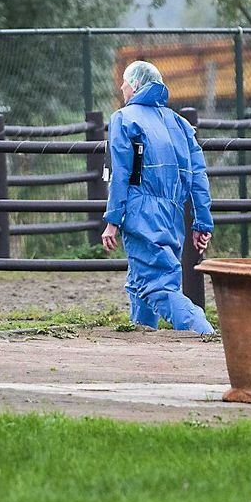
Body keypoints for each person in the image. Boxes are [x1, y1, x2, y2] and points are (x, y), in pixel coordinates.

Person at [101, 60, 215, 334]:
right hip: (173, 215)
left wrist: (112, 219)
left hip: (142, 211)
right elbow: (198, 175)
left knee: (157, 285)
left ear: (137, 85)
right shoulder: (179, 124)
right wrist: (202, 223)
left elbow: (121, 173)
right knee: (143, 280)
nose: (122, 86)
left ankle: (203, 332)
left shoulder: (124, 119)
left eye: (126, 81)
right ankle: (141, 337)